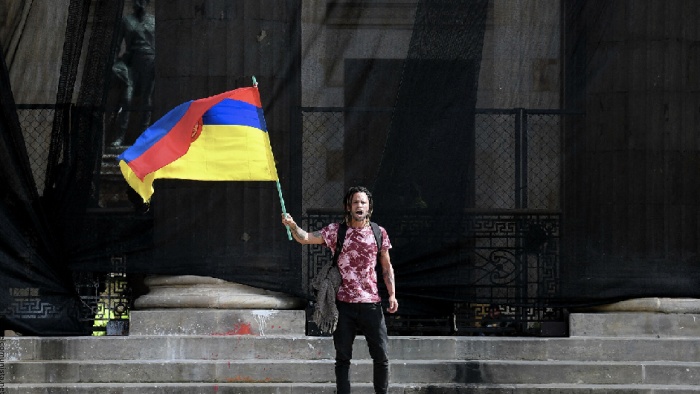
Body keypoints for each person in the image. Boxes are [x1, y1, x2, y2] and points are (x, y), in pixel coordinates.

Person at [281, 186, 398, 394]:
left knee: (381, 356)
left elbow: (387, 267)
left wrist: (392, 294)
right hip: (344, 306)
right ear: (348, 206)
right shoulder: (337, 231)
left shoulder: (379, 233)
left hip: (371, 304)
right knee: (343, 358)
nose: (359, 206)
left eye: (363, 202)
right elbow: (306, 238)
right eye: (355, 202)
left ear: (369, 206)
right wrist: (292, 225)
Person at [111, 0, 155, 146]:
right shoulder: (126, 21)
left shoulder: (153, 21)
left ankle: (144, 136)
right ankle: (120, 136)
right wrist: (114, 64)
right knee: (127, 99)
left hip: (149, 63)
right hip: (131, 62)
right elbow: (116, 46)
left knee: (146, 99)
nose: (140, 2)